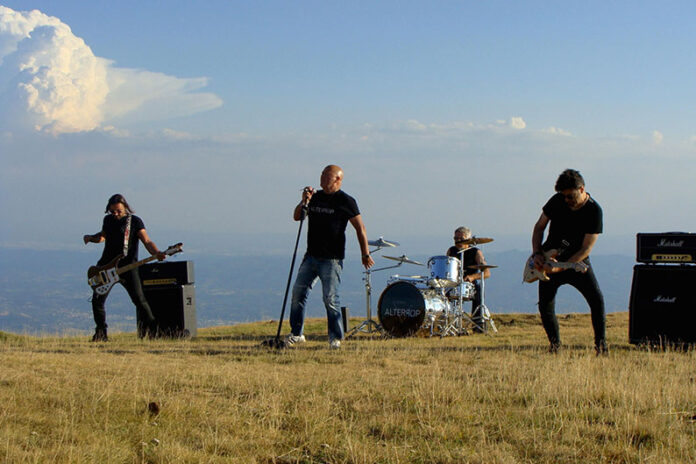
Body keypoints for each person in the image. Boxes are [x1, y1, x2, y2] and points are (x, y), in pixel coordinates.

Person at [286, 165, 374, 349]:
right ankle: (296, 333)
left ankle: (335, 338)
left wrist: (365, 253)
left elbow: (360, 228)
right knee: (298, 294)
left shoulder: (346, 201)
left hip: (332, 259)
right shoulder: (315, 197)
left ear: (337, 180)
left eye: (327, 176)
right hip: (311, 256)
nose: (323, 178)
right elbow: (297, 217)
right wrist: (304, 201)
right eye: (322, 175)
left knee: (330, 298)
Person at [531, 169, 607, 354]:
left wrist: (560, 268)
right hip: (549, 257)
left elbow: (586, 248)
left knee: (596, 301)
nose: (567, 200)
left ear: (582, 189)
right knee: (545, 305)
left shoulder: (594, 211)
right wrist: (537, 253)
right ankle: (554, 346)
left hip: (577, 262)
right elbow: (539, 227)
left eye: (570, 196)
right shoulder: (556, 201)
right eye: (563, 196)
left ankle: (601, 346)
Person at [83, 194, 165, 341]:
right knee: (97, 300)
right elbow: (103, 236)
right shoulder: (107, 220)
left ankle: (154, 331)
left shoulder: (135, 221)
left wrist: (157, 252)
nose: (115, 214)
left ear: (125, 207)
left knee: (139, 300)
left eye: (118, 210)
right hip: (106, 267)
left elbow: (146, 241)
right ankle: (101, 333)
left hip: (128, 267)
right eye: (112, 211)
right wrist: (91, 238)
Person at [446, 226, 491, 331]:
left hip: (469, 283)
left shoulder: (476, 252)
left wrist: (473, 277)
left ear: (468, 239)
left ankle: (477, 324)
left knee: (478, 289)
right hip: (453, 282)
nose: (457, 241)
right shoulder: (451, 251)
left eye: (460, 239)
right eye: (455, 239)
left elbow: (487, 273)